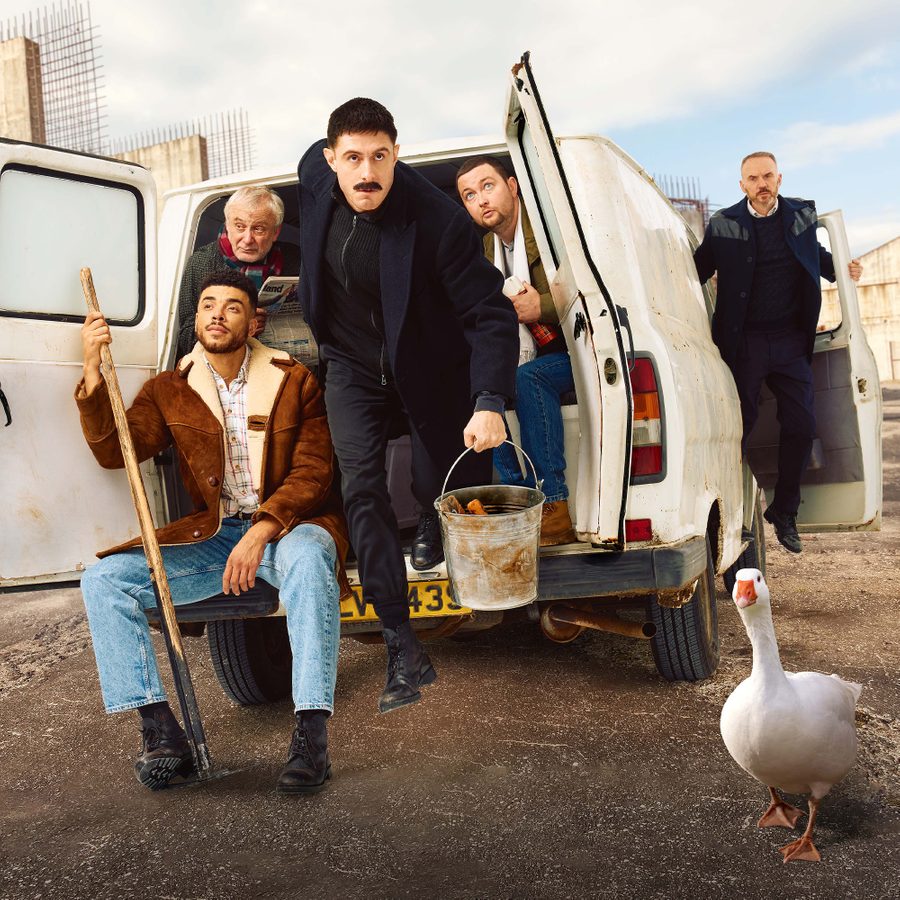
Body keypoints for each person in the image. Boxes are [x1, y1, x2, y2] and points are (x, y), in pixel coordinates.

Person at [77, 269, 349, 794]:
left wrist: (262, 532)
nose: (217, 314)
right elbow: (117, 452)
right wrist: (91, 366)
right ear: (196, 317)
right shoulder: (169, 389)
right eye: (207, 305)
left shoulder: (294, 378)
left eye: (231, 306)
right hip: (214, 535)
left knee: (314, 555)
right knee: (105, 582)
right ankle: (161, 733)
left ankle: (311, 737)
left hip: (292, 526)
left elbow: (314, 473)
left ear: (251, 322)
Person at [296, 98, 518, 713]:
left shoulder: (438, 219)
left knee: (430, 480)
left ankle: (428, 520)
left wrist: (490, 399)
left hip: (426, 363)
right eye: (353, 158)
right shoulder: (313, 183)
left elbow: (490, 312)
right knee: (361, 488)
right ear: (329, 160)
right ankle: (401, 641)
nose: (367, 172)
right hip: (351, 364)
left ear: (397, 155)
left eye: (380, 157)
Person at [694, 151, 862, 553]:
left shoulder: (802, 217)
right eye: (753, 178)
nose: (761, 184)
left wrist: (844, 269)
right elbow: (693, 271)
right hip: (744, 343)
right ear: (742, 186)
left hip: (790, 340)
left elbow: (818, 261)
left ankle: (784, 511)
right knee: (738, 430)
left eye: (767, 176)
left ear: (779, 178)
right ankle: (726, 514)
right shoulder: (723, 224)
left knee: (802, 426)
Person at [457, 156, 577, 546]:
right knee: (481, 383)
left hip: (580, 353)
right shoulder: (481, 251)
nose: (481, 200)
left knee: (529, 376)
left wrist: (541, 306)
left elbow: (595, 288)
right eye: (470, 195)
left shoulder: (551, 232)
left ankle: (553, 506)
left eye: (487, 186)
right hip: (532, 352)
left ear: (512, 185)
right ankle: (515, 498)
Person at [175, 186, 301, 357]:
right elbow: (186, 338)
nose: (247, 239)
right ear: (227, 225)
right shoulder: (202, 262)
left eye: (259, 229)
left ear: (275, 232)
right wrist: (240, 327)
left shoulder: (295, 259)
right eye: (240, 226)